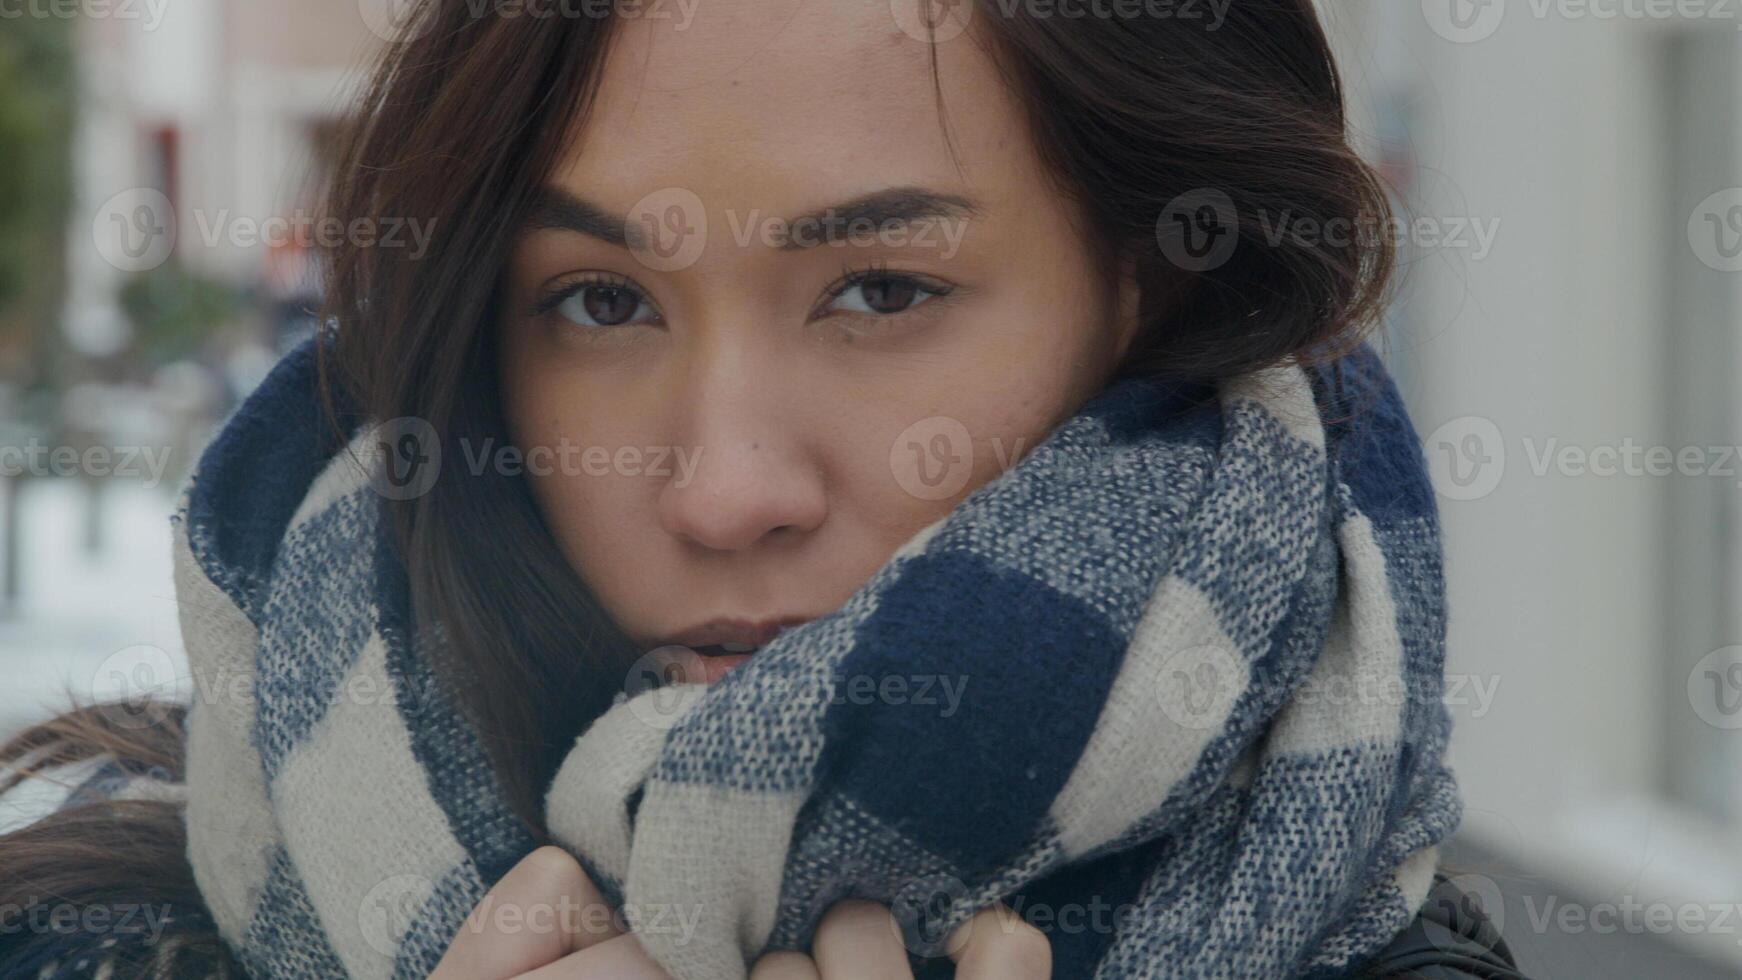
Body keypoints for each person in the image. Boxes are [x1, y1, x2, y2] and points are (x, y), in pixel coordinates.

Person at [0, 1, 1524, 977]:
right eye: (600, 303)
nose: (726, 492)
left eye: (878, 290)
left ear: (1147, 305)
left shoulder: (1383, 948)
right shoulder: (91, 934)